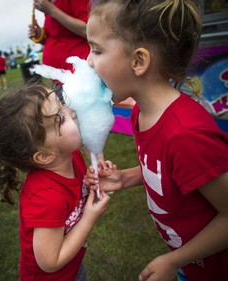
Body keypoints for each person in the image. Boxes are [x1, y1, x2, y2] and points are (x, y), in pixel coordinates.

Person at [84, 1, 228, 281]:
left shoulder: (187, 135)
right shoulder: (141, 112)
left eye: (97, 50)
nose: (88, 61)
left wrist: (174, 260)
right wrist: (125, 178)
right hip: (191, 262)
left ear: (138, 61)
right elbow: (173, 171)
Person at [0, 83, 111, 280]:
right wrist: (89, 217)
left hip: (72, 265)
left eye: (62, 104)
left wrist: (90, 179)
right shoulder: (46, 197)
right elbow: (50, 261)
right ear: (44, 156)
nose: (71, 111)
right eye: (60, 118)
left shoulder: (71, 157)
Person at [28, 0, 91, 92]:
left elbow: (88, 31)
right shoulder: (49, 4)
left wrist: (52, 11)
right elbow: (57, 37)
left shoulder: (51, 7)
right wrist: (40, 36)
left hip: (78, 77)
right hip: (58, 80)